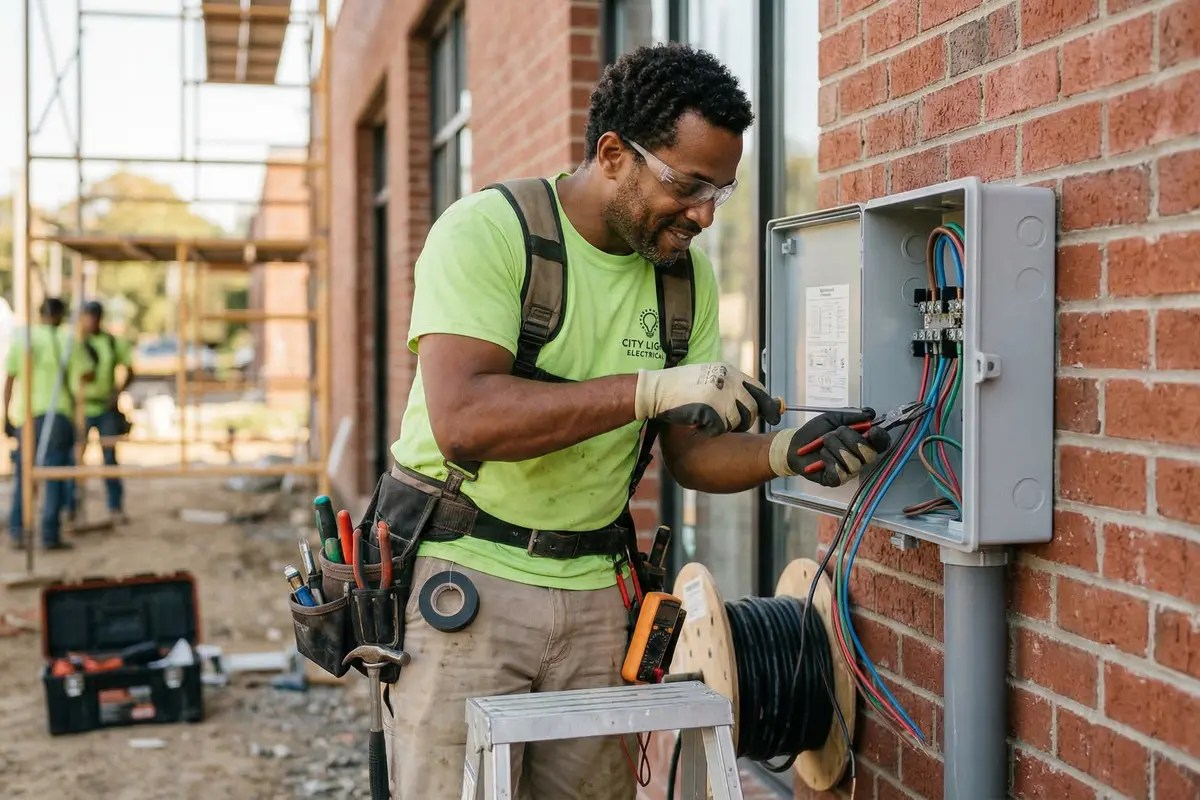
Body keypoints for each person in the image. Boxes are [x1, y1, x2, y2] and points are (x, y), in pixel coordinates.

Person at [374, 43, 892, 799]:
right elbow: (465, 420)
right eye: (687, 184)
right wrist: (649, 388)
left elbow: (691, 455)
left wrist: (782, 451)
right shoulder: (489, 231)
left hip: (597, 594)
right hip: (467, 586)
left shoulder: (684, 280)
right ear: (614, 154)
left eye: (721, 188)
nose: (706, 214)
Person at [4, 297, 91, 550]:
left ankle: (18, 530)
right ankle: (49, 535)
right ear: (61, 315)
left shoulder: (25, 339)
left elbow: (10, 378)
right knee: (54, 476)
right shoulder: (67, 341)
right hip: (58, 414)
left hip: (28, 416)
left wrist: (6, 414)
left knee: (25, 475)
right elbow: (87, 372)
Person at [70, 300, 134, 523]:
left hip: (106, 408)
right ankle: (72, 507)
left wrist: (117, 393)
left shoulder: (111, 342)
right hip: (81, 408)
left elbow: (129, 368)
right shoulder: (76, 342)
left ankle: (115, 506)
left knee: (109, 458)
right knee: (76, 459)